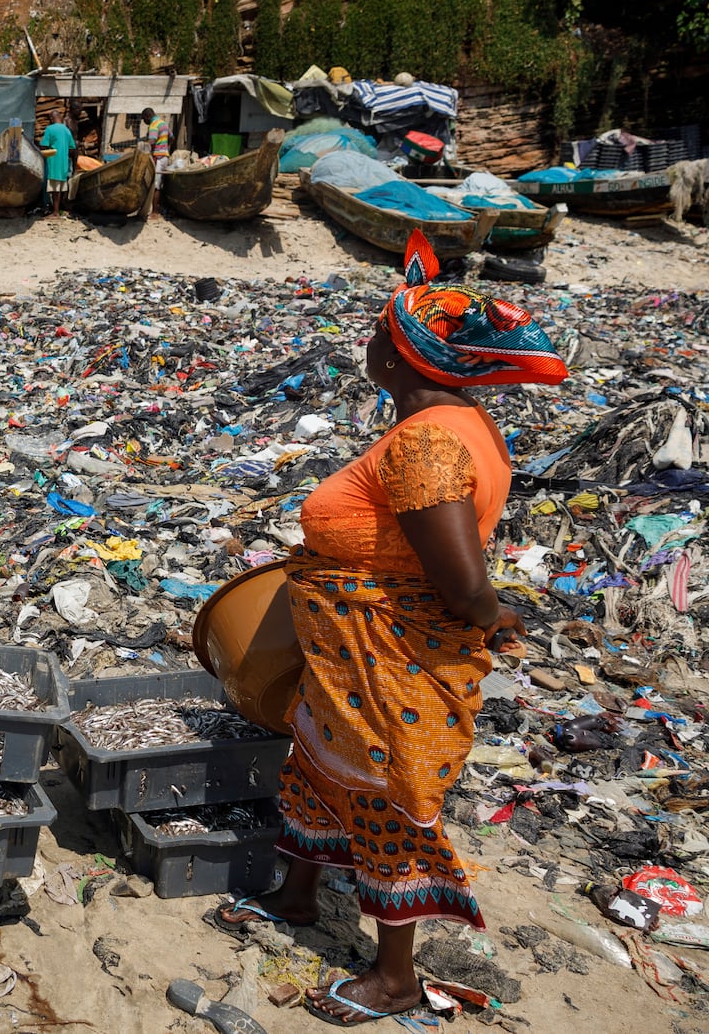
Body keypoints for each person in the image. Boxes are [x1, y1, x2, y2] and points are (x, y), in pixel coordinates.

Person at [215, 231, 568, 1025]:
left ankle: (396, 976)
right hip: (350, 656)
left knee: (384, 799)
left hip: (391, 660)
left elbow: (460, 575)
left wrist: (493, 615)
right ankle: (298, 896)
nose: (368, 342)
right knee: (317, 768)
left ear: (406, 357)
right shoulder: (451, 423)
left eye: (380, 332)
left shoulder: (427, 443)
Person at [39, 112, 75, 217]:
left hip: (53, 162)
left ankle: (55, 212)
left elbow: (44, 145)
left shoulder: (50, 129)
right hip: (63, 163)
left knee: (54, 189)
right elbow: (72, 146)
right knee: (60, 188)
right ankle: (57, 209)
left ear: (51, 118)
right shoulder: (66, 130)